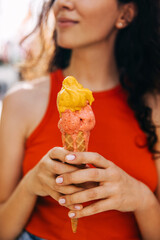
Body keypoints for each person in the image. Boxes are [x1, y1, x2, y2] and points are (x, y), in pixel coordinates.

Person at [0, 0, 160, 239]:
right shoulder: (21, 102)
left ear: (125, 14)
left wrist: (142, 199)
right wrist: (30, 184)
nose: (62, 3)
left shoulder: (154, 107)